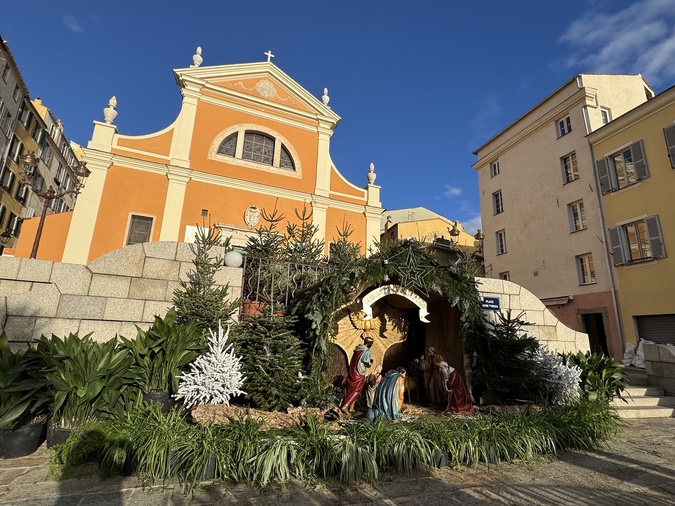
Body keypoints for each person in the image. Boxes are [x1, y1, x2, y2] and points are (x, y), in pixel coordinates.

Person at [340, 337, 374, 414]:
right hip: (359, 374)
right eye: (371, 343)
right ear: (369, 343)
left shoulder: (358, 349)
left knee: (351, 390)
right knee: (356, 391)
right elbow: (366, 362)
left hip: (353, 372)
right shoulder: (366, 351)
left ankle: (351, 408)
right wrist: (370, 363)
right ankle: (345, 406)